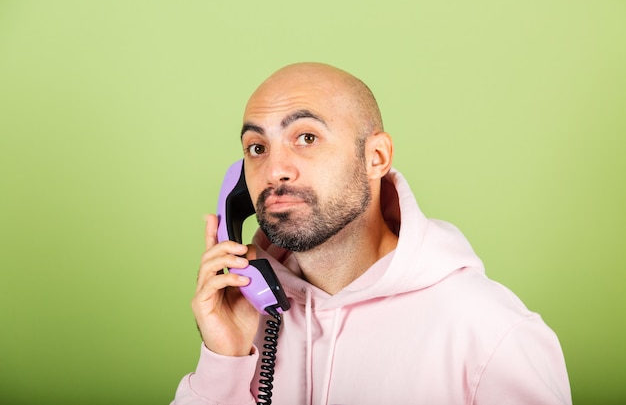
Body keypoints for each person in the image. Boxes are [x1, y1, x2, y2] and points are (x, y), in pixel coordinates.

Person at [171, 63, 572, 404]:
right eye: (256, 147)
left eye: (306, 138)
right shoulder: (251, 314)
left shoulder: (490, 333)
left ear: (376, 157)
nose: (275, 169)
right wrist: (223, 362)